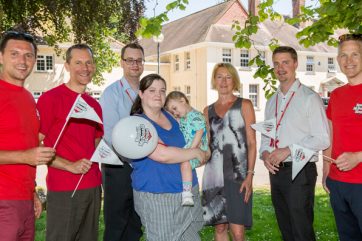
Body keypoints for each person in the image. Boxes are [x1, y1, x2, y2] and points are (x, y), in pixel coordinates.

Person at [260, 46, 330, 241]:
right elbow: (266, 136)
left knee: (301, 231)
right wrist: (265, 154)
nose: (280, 68)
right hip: (276, 172)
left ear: (295, 64)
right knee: (286, 229)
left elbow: (323, 138)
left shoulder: (310, 98)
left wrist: (288, 150)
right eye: (276, 63)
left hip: (300, 172)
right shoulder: (271, 101)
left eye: (285, 62)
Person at [37, 44, 103, 241]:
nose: (85, 67)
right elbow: (36, 145)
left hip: (93, 186)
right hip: (64, 187)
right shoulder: (50, 99)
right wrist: (69, 166)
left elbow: (96, 141)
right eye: (78, 63)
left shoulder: (94, 105)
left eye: (89, 62)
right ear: (66, 66)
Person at [130, 74, 208, 241]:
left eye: (162, 91)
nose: (158, 94)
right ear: (141, 94)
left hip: (188, 191)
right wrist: (195, 153)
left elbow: (195, 138)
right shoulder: (137, 124)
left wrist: (203, 152)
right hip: (158, 195)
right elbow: (162, 155)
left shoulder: (174, 115)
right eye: (152, 90)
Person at [0, 31, 55, 241]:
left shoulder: (28, 98)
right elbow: (26, 154)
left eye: (29, 55)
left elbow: (24, 144)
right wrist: (25, 156)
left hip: (24, 202)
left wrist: (32, 193)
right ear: (1, 56)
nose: (22, 61)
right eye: (14, 54)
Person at [202, 63, 256, 241]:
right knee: (219, 229)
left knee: (238, 232)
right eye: (219, 77)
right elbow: (207, 146)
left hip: (238, 177)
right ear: (214, 81)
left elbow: (251, 142)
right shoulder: (207, 111)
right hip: (214, 176)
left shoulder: (244, 105)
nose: (224, 81)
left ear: (234, 81)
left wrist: (250, 175)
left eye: (228, 77)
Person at [99, 43, 144, 241]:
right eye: (130, 60)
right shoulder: (111, 93)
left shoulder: (149, 92)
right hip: (118, 166)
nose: (135, 64)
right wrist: (135, 159)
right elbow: (110, 135)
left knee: (136, 223)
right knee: (116, 224)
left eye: (139, 60)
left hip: (143, 167)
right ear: (122, 63)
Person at [322, 33, 362, 241]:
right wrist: (326, 169)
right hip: (337, 183)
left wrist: (358, 156)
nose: (349, 61)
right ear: (337, 60)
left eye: (355, 54)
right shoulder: (336, 95)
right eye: (343, 56)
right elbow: (330, 132)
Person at [165, 91, 208, 206]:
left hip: (197, 147)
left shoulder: (196, 115)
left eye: (175, 108)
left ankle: (187, 194)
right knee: (182, 165)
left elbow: (199, 132)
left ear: (183, 100)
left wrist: (191, 150)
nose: (175, 113)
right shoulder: (184, 118)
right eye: (172, 112)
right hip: (190, 148)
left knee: (185, 164)